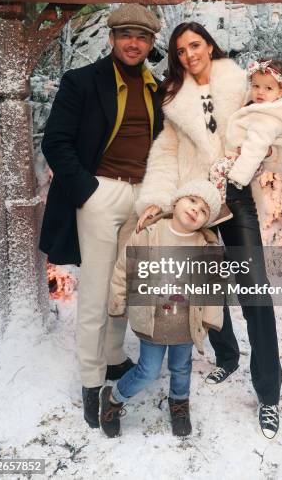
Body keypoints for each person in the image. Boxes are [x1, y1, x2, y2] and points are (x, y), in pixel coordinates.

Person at [136, 22, 282, 439]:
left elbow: (272, 112)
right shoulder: (172, 96)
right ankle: (228, 355)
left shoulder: (239, 82)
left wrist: (269, 146)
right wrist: (158, 199)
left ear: (210, 45)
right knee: (206, 289)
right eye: (180, 50)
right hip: (194, 201)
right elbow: (165, 152)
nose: (188, 55)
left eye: (194, 45)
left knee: (255, 291)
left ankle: (269, 394)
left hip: (234, 198)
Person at [39, 4, 164, 429]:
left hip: (143, 196)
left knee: (126, 283)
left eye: (142, 37)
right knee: (94, 291)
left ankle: (114, 358)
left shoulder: (156, 89)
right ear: (111, 38)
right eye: (126, 34)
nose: (133, 43)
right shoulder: (81, 82)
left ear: (151, 43)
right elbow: (56, 142)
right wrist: (88, 190)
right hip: (101, 192)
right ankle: (92, 381)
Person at [100, 179, 223, 438]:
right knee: (148, 370)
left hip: (185, 325)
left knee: (181, 367)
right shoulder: (149, 233)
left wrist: (210, 319)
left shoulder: (206, 246)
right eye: (192, 201)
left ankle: (179, 403)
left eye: (203, 211)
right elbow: (124, 269)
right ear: (177, 201)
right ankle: (114, 397)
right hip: (153, 321)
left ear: (206, 221)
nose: (195, 210)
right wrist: (118, 301)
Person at [209, 58, 282, 202]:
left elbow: (256, 147)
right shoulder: (261, 105)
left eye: (268, 88)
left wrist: (240, 175)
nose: (260, 92)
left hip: (247, 162)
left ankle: (219, 205)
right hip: (244, 158)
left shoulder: (267, 119)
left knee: (218, 169)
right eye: (256, 86)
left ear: (281, 92)